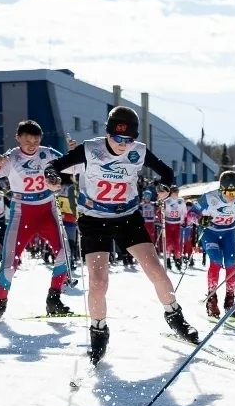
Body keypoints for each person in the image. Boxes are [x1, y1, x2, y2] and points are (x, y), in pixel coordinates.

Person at [47, 106, 199, 364]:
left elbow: (166, 172)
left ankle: (175, 317)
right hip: (94, 219)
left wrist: (164, 186)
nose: (123, 145)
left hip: (127, 217)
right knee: (98, 282)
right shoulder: (90, 149)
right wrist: (51, 176)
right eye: (118, 138)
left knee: (155, 270)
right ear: (108, 133)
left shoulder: (138, 151)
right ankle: (99, 331)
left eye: (129, 139)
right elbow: (55, 166)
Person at [0, 121, 73, 322]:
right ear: (18, 138)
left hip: (47, 211)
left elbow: (74, 169)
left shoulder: (48, 153)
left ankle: (54, 299)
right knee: (9, 262)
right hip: (22, 213)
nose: (32, 145)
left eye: (36, 141)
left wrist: (73, 153)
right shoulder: (11, 158)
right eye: (27, 141)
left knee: (64, 253)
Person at [190, 170, 235, 318]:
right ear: (221, 189)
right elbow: (191, 213)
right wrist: (200, 220)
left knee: (231, 263)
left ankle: (230, 300)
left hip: (228, 233)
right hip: (210, 233)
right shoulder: (209, 197)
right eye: (228, 193)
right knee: (216, 260)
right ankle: (212, 299)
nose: (232, 196)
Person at [160, 186, 186, 270]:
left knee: (177, 243)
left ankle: (177, 259)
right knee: (168, 243)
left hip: (177, 224)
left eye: (177, 192)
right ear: (171, 193)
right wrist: (162, 219)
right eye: (174, 192)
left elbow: (184, 212)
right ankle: (167, 259)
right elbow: (162, 212)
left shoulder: (181, 201)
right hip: (168, 224)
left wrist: (183, 221)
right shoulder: (166, 201)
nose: (176, 194)